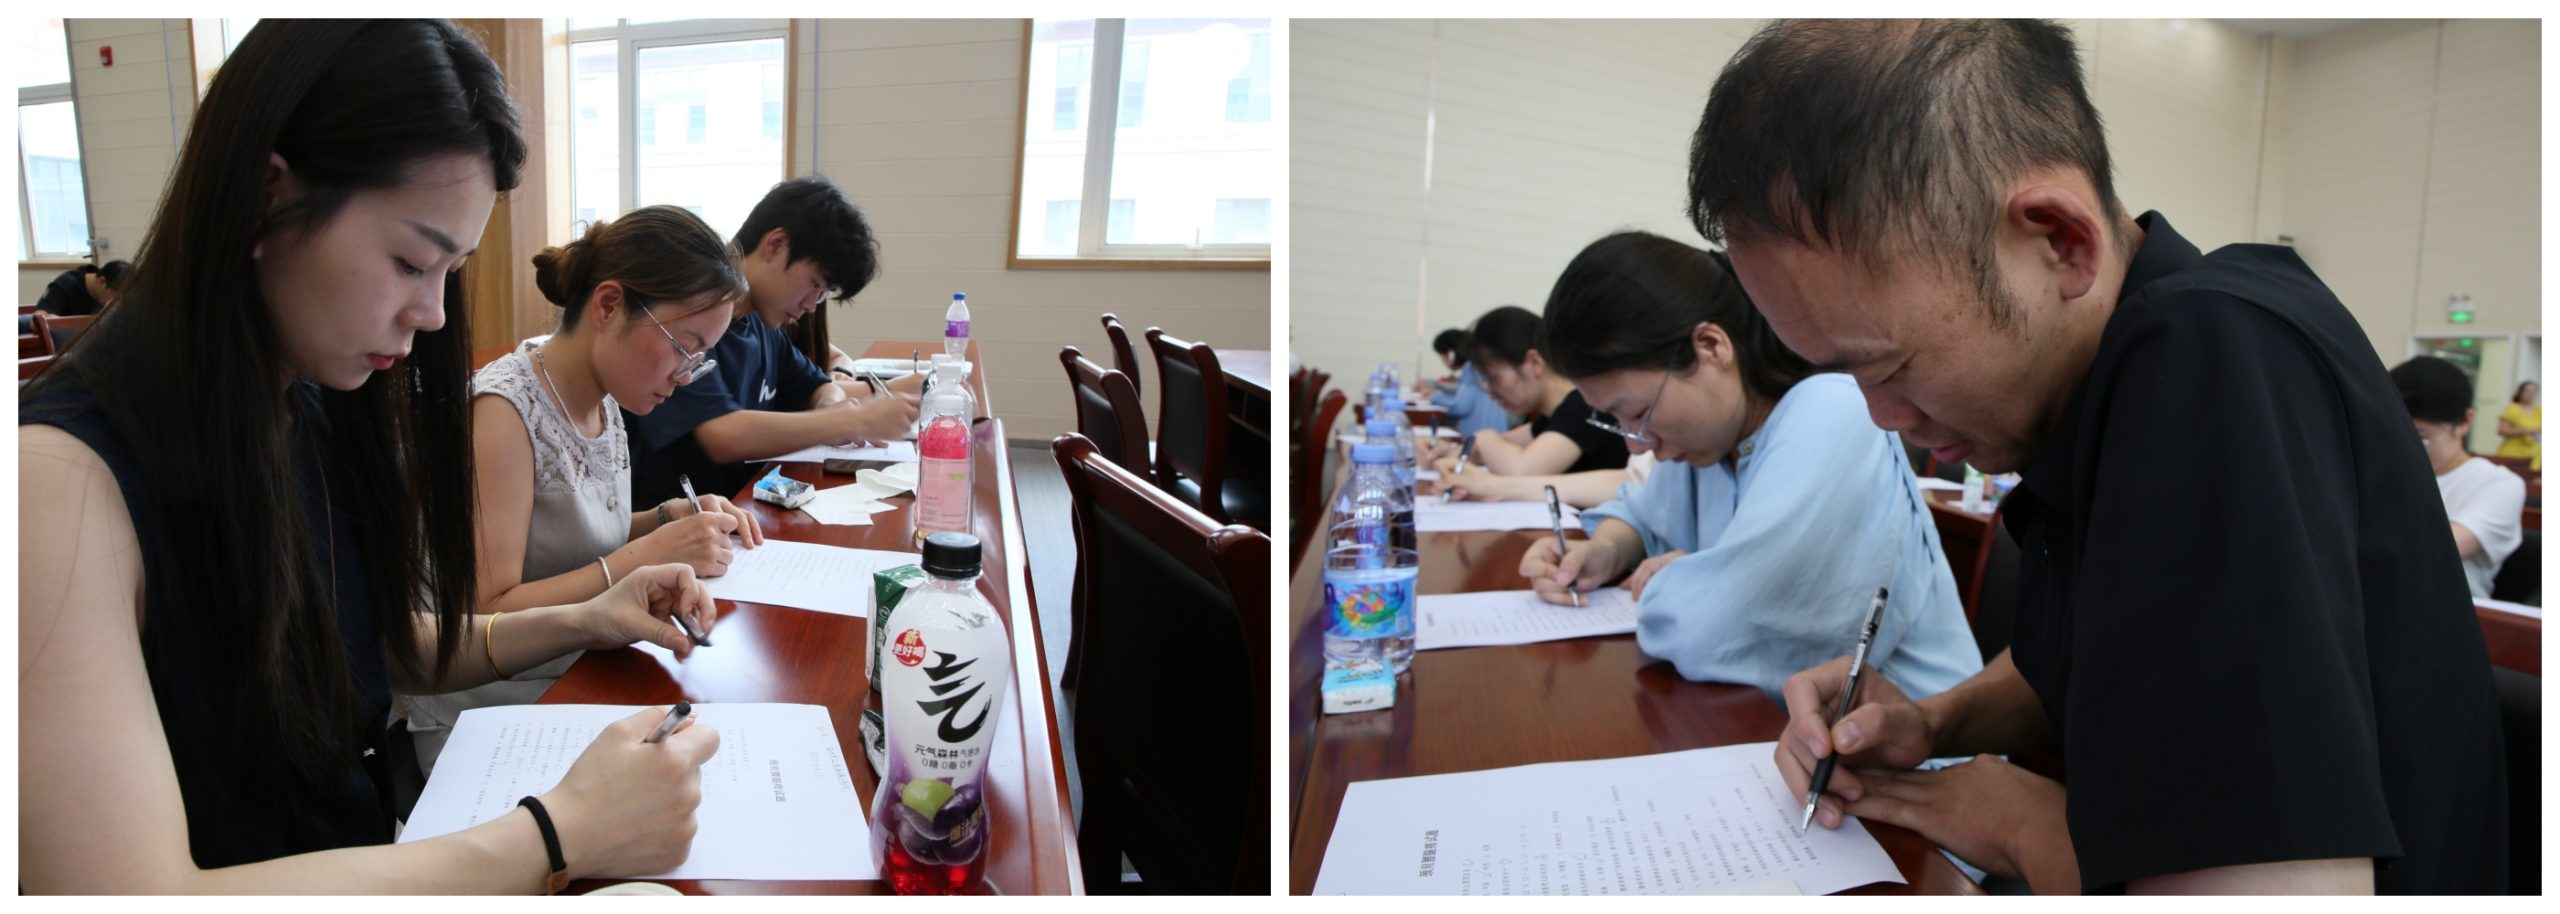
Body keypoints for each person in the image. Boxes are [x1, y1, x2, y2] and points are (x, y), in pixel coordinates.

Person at [1695, 19, 2504, 893]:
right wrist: (1934, 722)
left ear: (2060, 241)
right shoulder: (2101, 387)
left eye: (1890, 369)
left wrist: (2018, 823)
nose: (1885, 420)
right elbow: (2125, 661)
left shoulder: (2207, 356)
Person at [19, 20, 719, 892]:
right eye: (410, 261)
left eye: (451, 272)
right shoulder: (58, 483)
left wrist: (588, 617)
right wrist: (556, 831)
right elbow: (135, 894)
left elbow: (372, 648)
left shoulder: (301, 401)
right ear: (266, 195)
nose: (433, 313)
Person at [1514, 231, 1982, 701]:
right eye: (1615, 422)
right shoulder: (1703, 439)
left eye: (1636, 413)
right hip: (1770, 722)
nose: (1636, 445)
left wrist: (1688, 577)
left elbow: (1713, 630)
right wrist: (1604, 552)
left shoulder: (1833, 413)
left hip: (1912, 731)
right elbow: (1643, 515)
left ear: (1711, 346)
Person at [406, 205, 770, 775]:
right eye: (683, 348)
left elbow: (563, 535)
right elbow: (484, 611)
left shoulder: (603, 396)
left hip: (580, 666)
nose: (684, 376)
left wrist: (666, 518)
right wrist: (639, 557)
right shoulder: (502, 412)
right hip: (494, 708)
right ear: (608, 306)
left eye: (698, 361)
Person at [625, 176, 919, 505]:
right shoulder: (691, 322)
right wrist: (849, 419)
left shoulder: (763, 326)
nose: (811, 306)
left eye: (823, 294)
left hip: (737, 511)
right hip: (671, 522)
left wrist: (832, 405)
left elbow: (818, 386)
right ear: (775, 245)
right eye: (814, 284)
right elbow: (722, 435)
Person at [1420, 306, 1630, 503]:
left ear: (1535, 362)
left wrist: (1483, 438)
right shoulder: (1553, 415)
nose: (1491, 393)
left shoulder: (1584, 406)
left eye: (1494, 378)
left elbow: (1520, 470)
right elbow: (1503, 443)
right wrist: (1447, 452)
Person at [2393, 357, 2525, 599]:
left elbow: (2430, 553)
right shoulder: (2388, 474)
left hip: (2447, 612)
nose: (2406, 449)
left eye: (2421, 437)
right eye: (2395, 435)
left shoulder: (2499, 485)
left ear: (2465, 422)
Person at [1413, 327, 1516, 438]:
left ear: (1451, 353)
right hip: (1494, 434)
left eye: (1442, 355)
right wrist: (1436, 390)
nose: (1442, 360)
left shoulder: (1471, 368)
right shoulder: (1481, 364)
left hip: (1477, 437)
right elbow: (1467, 396)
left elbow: (1460, 407)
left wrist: (1434, 396)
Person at [25, 260, 133, 334]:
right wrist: (73, 325)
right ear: (102, 282)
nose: (119, 301)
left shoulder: (106, 284)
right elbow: (35, 322)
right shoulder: (66, 284)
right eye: (117, 296)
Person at [2495, 380, 2540, 472]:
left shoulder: (2538, 410)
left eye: (2533, 391)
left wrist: (2536, 431)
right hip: (2513, 451)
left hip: (2532, 451)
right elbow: (2502, 431)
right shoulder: (2513, 408)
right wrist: (2522, 430)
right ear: (2520, 393)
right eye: (2528, 391)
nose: (2531, 394)